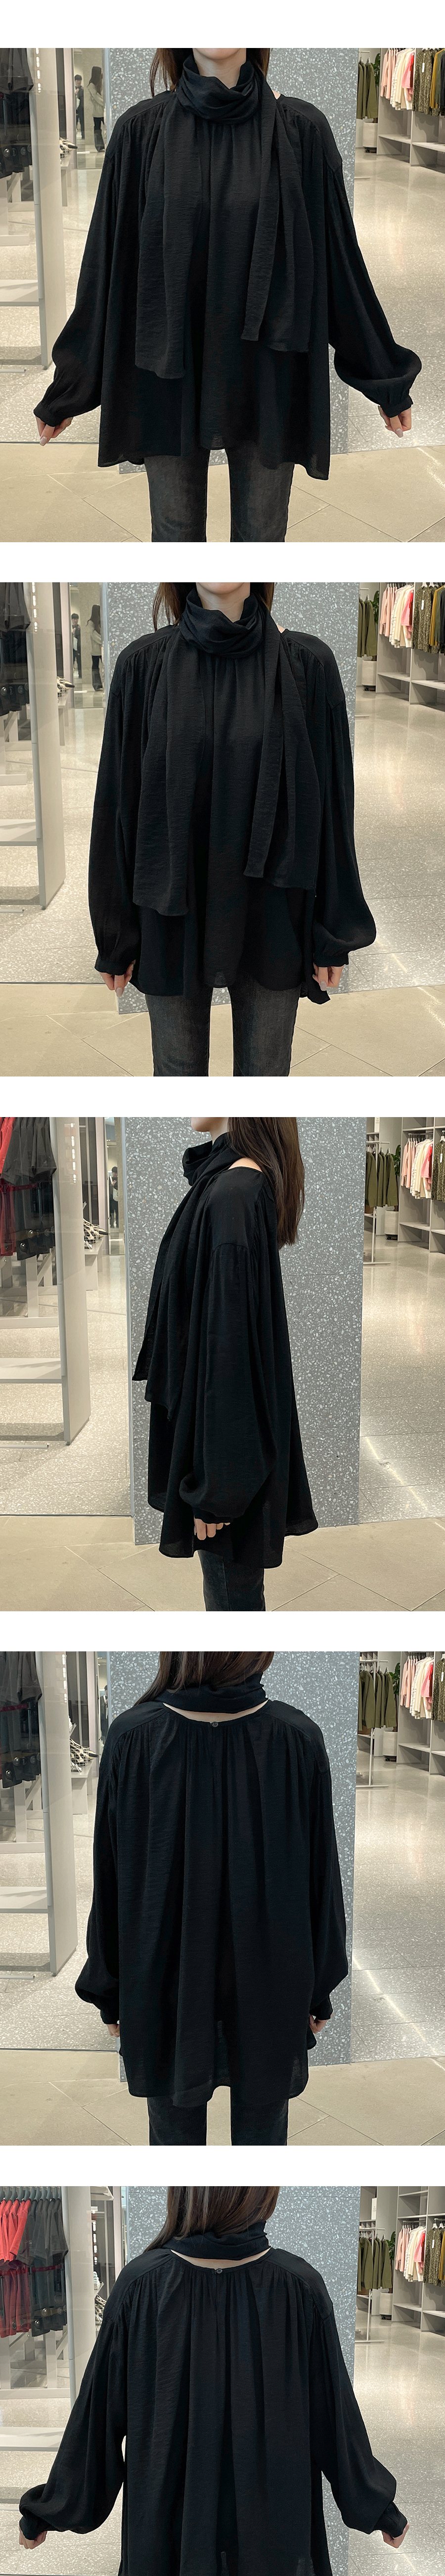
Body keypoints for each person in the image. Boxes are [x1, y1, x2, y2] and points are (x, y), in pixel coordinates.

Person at [18, 2184, 408, 2576]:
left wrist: (52, 2507)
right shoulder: (297, 2285)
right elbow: (334, 2417)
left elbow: (98, 2417)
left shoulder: (142, 2284)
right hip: (268, 2511)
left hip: (173, 2509)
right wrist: (376, 2506)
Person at [34, 47, 421, 539]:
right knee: (175, 535)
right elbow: (105, 269)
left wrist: (383, 374)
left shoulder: (302, 131)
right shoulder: (140, 132)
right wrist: (73, 384)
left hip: (269, 372)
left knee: (262, 536)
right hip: (169, 372)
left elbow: (340, 263)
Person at [89, 579, 375, 1076]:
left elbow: (332, 804)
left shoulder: (308, 664)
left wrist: (333, 928)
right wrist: (116, 935)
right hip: (172, 912)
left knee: (265, 1080)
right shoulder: (143, 665)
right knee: (178, 1077)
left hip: (274, 911)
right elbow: (118, 803)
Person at [75, 1648, 348, 2144]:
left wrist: (110, 1990)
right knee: (261, 2143)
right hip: (271, 1977)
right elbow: (321, 1879)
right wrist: (319, 1987)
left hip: (162, 1976)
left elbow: (112, 1877)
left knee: (176, 2143)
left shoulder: (133, 1736)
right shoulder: (296, 1736)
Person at [134, 1116, 316, 1612]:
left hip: (227, 1455)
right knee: (232, 1596)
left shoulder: (233, 1193)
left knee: (232, 1605)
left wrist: (219, 1488)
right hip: (226, 1443)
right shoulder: (233, 1183)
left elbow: (229, 1350)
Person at [86, 600, 103, 693]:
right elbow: (93, 635)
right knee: (96, 668)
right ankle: (97, 685)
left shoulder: (101, 622)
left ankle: (105, 683)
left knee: (105, 667)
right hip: (96, 650)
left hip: (102, 650)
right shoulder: (91, 623)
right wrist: (103, 642)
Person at [88, 65, 105, 155]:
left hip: (102, 111)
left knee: (102, 129)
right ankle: (99, 146)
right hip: (98, 111)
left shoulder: (100, 83)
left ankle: (103, 146)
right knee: (98, 130)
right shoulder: (92, 85)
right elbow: (96, 97)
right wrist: (106, 104)